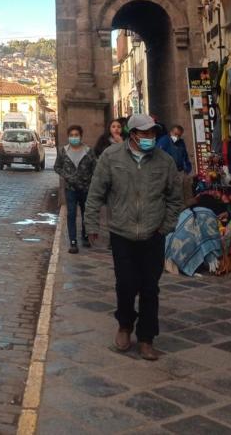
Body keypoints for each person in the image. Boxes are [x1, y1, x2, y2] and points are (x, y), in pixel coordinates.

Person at [85, 113, 182, 361]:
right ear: (133, 134)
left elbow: (174, 197)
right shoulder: (111, 156)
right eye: (145, 133)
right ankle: (125, 326)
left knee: (150, 287)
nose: (150, 137)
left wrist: (167, 225)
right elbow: (96, 192)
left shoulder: (165, 161)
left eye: (153, 133)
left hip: (153, 233)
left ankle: (147, 338)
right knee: (126, 284)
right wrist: (91, 223)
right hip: (122, 232)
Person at [54, 124, 96, 254]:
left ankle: (85, 236)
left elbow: (95, 168)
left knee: (85, 213)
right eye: (71, 135)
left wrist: (89, 179)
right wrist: (67, 176)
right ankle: (73, 241)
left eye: (76, 135)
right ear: (68, 137)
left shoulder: (88, 151)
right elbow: (57, 167)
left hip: (85, 188)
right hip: (70, 188)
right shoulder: (63, 151)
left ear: (81, 136)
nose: (74, 137)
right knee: (71, 213)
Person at [157, 125, 193, 206]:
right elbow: (158, 156)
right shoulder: (164, 141)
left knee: (183, 192)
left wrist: (187, 168)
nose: (177, 137)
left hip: (180, 171)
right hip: (168, 172)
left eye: (179, 135)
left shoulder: (181, 143)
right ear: (171, 132)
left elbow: (185, 156)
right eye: (175, 134)